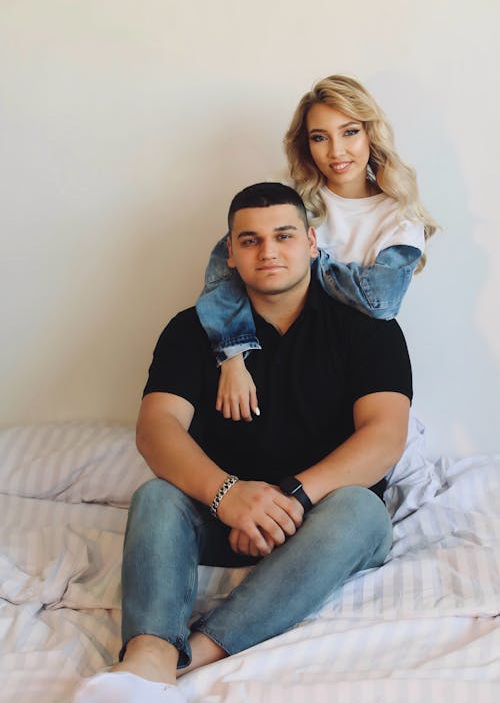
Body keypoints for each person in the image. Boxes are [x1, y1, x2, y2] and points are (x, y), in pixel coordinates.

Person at [74, 182, 412, 703]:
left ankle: (194, 655)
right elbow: (156, 426)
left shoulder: (368, 328)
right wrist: (227, 496)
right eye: (250, 240)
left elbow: (385, 435)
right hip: (222, 513)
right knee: (156, 496)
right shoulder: (191, 330)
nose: (268, 251)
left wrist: (288, 503)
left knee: (363, 509)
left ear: (311, 242)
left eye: (283, 235)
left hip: (322, 520)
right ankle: (147, 659)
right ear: (229, 252)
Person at [196, 75, 438, 423]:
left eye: (350, 132)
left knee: (397, 460)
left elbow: (381, 302)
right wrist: (232, 358)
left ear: (371, 132)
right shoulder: (286, 198)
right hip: (272, 355)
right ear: (306, 145)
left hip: (355, 363)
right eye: (320, 138)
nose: (336, 151)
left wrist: (309, 257)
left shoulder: (399, 217)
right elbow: (227, 270)